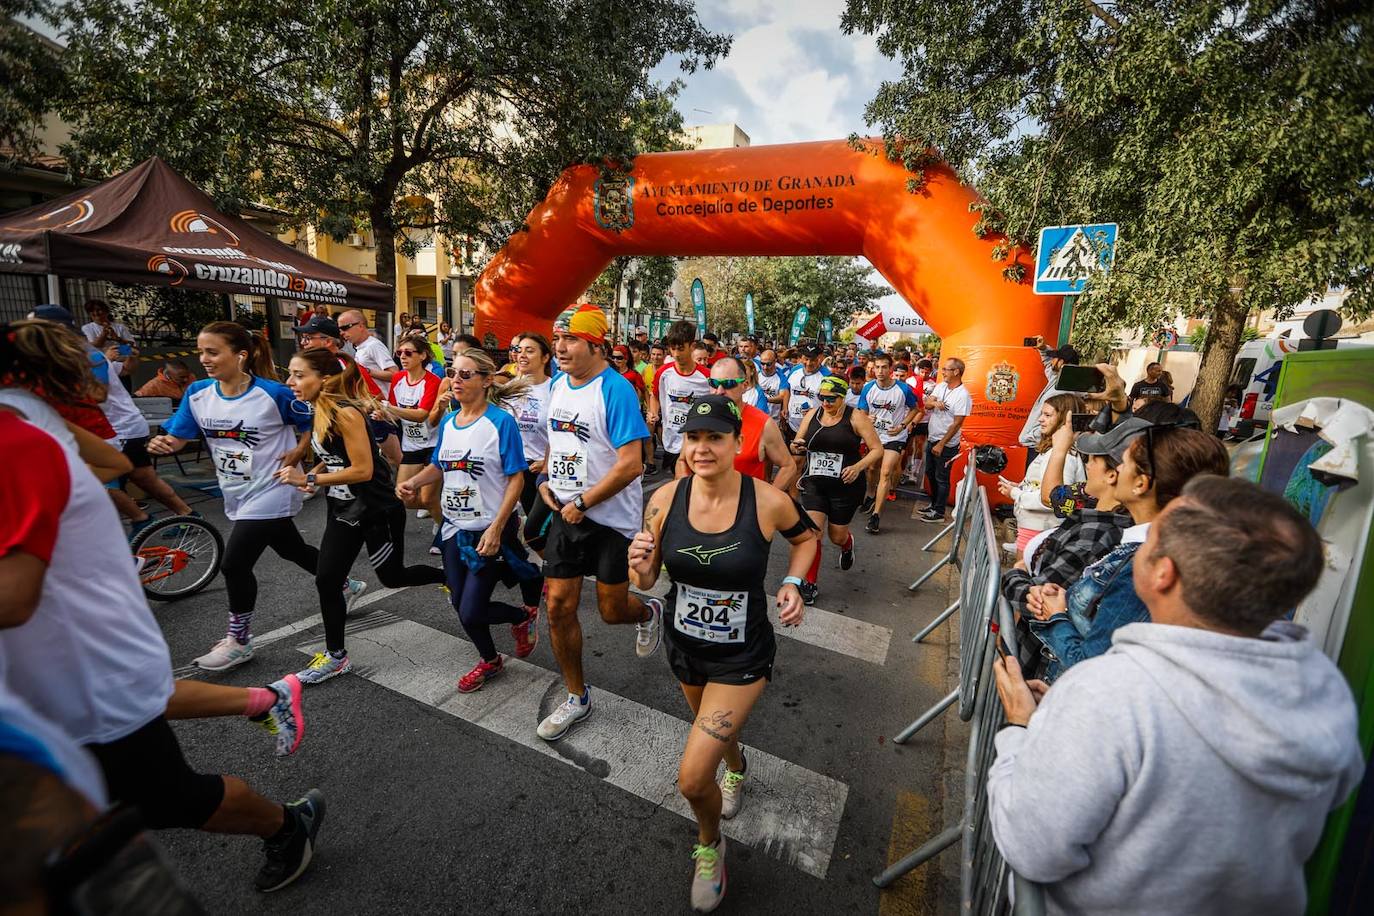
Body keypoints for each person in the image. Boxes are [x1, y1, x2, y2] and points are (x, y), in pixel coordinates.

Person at [989, 475, 1363, 915]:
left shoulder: (1111, 692)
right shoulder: (1322, 689)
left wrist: (1018, 730)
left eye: (1149, 540)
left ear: (1162, 572)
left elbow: (1032, 844)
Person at [0, 410, 325, 893]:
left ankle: (285, 823)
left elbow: (16, 594)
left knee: (166, 797)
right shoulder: (194, 394)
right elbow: (118, 457)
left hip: (64, 658)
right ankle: (267, 693)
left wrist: (301, 462)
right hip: (47, 671)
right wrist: (167, 442)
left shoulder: (17, 439)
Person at [629, 395, 816, 913]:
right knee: (716, 735)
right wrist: (639, 566)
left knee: (692, 778)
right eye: (694, 438)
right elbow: (646, 579)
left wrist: (793, 582)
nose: (703, 448)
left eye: (715, 437)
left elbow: (806, 540)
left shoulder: (766, 500)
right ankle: (737, 766)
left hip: (743, 656)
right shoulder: (665, 499)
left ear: (739, 443)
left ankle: (709, 846)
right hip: (685, 647)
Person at [148, 321, 365, 670]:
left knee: (234, 565)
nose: (204, 359)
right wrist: (164, 443)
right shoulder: (198, 393)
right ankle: (344, 583)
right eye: (201, 352)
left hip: (274, 487)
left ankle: (239, 640)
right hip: (235, 490)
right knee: (290, 548)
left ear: (240, 355)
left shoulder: (273, 394)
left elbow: (318, 420)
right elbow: (179, 437)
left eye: (213, 352)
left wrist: (299, 451)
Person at [272, 351, 446, 685]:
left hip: (376, 510)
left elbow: (363, 469)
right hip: (343, 510)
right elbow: (336, 456)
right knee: (326, 579)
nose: (291, 383)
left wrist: (308, 479)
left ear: (323, 379)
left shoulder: (346, 413)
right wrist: (318, 471)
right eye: (290, 375)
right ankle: (336, 657)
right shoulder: (318, 409)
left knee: (393, 577)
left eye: (298, 375)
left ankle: (449, 574)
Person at [535, 304, 658, 741]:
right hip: (568, 512)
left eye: (570, 339)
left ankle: (647, 611)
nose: (561, 347)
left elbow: (632, 465)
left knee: (611, 611)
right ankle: (577, 696)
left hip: (610, 521)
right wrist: (547, 478)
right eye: (557, 339)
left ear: (595, 343)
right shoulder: (556, 384)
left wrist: (584, 501)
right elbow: (557, 438)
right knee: (558, 606)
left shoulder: (617, 389)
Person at [1026, 420, 1230, 681]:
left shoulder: (1145, 565)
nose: (1117, 469)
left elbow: (1093, 665)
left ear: (1141, 484)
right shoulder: (1168, 550)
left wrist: (1056, 617)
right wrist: (1069, 601)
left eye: (1124, 463)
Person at [398, 348, 542, 692]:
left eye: (466, 374)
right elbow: (439, 464)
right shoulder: (448, 421)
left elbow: (516, 479)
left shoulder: (500, 422)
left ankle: (516, 624)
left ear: (486, 380)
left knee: (470, 611)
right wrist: (413, 482)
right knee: (461, 605)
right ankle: (495, 654)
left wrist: (496, 528)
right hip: (452, 528)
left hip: (487, 529)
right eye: (453, 372)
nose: (455, 380)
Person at [1000, 416, 1132, 642]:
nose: (1087, 465)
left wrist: (1016, 574)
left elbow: (1036, 600)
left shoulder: (1097, 533)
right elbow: (1055, 497)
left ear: (1113, 474)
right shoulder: (1089, 500)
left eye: (1092, 459)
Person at [790, 376, 883, 604]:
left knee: (836, 535)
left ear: (843, 397)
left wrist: (858, 466)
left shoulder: (856, 417)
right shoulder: (812, 414)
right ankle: (809, 583)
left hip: (846, 485)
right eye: (822, 397)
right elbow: (798, 441)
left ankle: (847, 543)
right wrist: (796, 446)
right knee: (813, 533)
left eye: (832, 398)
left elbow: (877, 449)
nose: (826, 402)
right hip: (815, 483)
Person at [293, 314, 402, 466]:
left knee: (390, 461)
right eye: (303, 338)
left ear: (328, 341)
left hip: (369, 419)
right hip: (338, 425)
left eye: (309, 338)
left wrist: (382, 410)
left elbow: (381, 387)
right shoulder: (349, 356)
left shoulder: (346, 362)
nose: (304, 343)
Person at [674, 357, 797, 491]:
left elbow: (788, 466)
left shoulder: (763, 423)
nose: (719, 390)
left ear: (745, 385)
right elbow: (682, 461)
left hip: (745, 508)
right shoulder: (699, 415)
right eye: (714, 383)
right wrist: (684, 495)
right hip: (703, 507)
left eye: (728, 384)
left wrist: (765, 502)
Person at [997, 393, 1087, 556]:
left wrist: (1016, 493)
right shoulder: (1054, 451)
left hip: (1041, 529)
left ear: (1063, 419)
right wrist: (1022, 487)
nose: (1040, 419)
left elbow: (1054, 499)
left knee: (1024, 573)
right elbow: (1043, 485)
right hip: (1034, 527)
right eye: (1041, 414)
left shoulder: (1063, 456)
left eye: (1047, 415)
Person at [857, 353, 922, 533]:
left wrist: (902, 425)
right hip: (874, 436)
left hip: (894, 437)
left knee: (885, 473)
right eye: (877, 367)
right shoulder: (868, 387)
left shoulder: (903, 389)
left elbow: (915, 409)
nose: (880, 371)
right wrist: (867, 417)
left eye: (884, 367)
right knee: (871, 469)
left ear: (890, 369)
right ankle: (870, 494)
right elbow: (862, 411)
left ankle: (876, 516)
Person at [387, 332, 447, 524]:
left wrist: (388, 408)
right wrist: (382, 414)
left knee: (428, 498)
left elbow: (422, 415)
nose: (402, 357)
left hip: (434, 443)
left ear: (422, 356)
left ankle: (443, 531)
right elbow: (394, 413)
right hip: (412, 444)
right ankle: (447, 510)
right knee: (406, 497)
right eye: (399, 353)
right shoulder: (397, 379)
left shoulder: (432, 381)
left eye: (408, 353)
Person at [650, 320, 712, 475]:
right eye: (673, 348)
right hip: (672, 439)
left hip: (698, 441)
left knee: (686, 483)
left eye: (681, 348)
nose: (676, 354)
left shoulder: (707, 377)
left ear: (692, 346)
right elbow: (655, 396)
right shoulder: (663, 373)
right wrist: (653, 413)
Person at [919, 357, 973, 523]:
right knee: (930, 473)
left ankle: (939, 512)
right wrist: (935, 403)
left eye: (946, 369)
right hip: (933, 437)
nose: (942, 372)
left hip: (946, 444)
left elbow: (957, 423)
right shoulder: (941, 386)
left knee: (942, 477)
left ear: (956, 372)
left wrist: (942, 444)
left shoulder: (963, 395)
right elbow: (927, 404)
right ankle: (934, 505)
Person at [1016, 339, 1078, 448]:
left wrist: (1030, 436)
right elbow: (1048, 364)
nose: (1051, 361)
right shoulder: (1058, 380)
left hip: (1042, 445)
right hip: (1039, 443)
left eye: (1054, 358)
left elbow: (1056, 423)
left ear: (1061, 363)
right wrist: (1043, 348)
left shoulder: (1063, 392)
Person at [338, 309, 397, 385]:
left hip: (381, 396)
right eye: (340, 330)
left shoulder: (374, 345)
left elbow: (394, 375)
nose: (342, 333)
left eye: (345, 328)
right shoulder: (361, 347)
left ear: (360, 326)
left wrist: (366, 371)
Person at [755, 349, 790, 427]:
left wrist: (764, 399)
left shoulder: (781, 377)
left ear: (775, 361)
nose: (765, 367)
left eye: (768, 364)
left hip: (773, 421)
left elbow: (782, 397)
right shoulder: (755, 376)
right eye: (762, 363)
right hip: (757, 418)